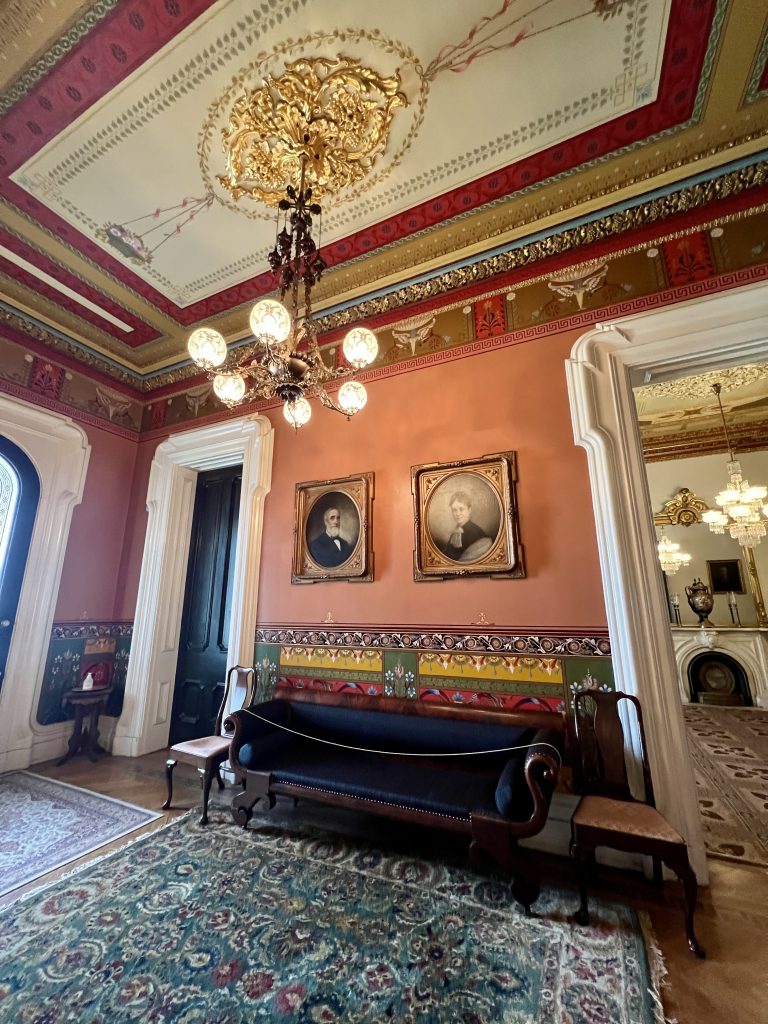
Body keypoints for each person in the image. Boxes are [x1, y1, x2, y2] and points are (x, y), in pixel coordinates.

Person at [439, 490, 492, 562]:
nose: (457, 514)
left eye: (461, 509)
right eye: (454, 510)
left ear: (469, 510)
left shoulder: (476, 532)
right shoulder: (456, 531)